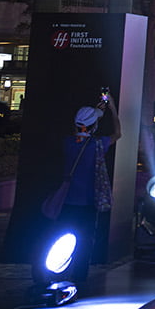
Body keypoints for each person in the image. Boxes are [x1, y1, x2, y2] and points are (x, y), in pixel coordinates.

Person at [42, 90, 122, 289]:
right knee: (85, 240)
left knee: (61, 236)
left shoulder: (68, 143)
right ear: (94, 126)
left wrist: (96, 111)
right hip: (88, 202)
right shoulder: (97, 145)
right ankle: (79, 276)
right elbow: (118, 134)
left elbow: (83, 130)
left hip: (67, 201)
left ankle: (56, 270)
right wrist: (111, 108)